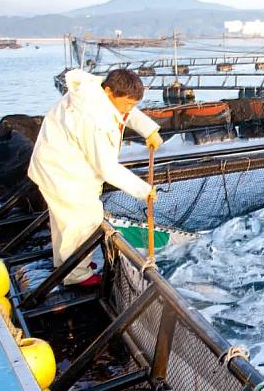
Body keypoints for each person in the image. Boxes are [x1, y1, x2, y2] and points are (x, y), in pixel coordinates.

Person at [28, 69, 163, 287]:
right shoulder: (92, 118)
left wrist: (148, 130)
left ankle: (66, 264)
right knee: (84, 220)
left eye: (133, 103)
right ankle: (76, 276)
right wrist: (144, 190)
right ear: (109, 91)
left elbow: (126, 111)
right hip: (64, 173)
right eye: (127, 103)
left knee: (64, 221)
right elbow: (107, 168)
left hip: (56, 163)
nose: (129, 108)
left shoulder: (96, 90)